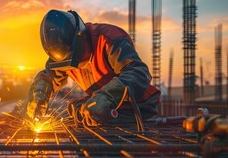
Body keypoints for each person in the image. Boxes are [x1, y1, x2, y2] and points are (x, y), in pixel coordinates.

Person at [26, 9, 160, 126]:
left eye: (74, 60)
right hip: (101, 107)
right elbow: (48, 77)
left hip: (137, 105)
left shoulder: (109, 39)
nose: (73, 67)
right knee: (78, 109)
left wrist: (108, 96)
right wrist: (39, 94)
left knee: (95, 118)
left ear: (82, 38)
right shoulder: (63, 55)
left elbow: (139, 73)